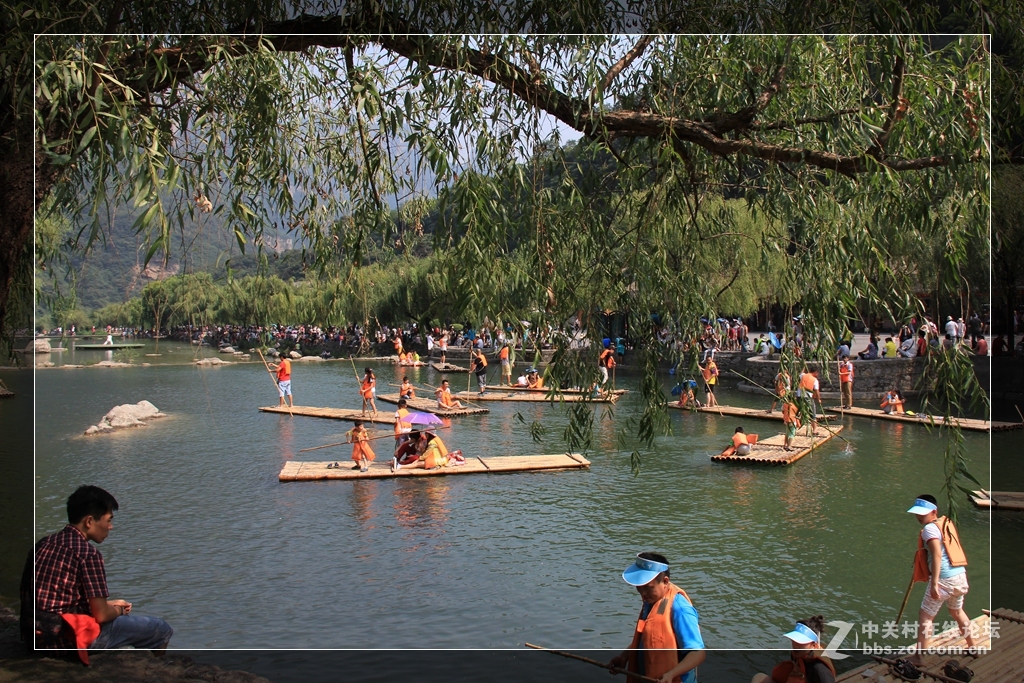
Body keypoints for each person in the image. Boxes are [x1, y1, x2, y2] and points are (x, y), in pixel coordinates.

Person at [32, 486, 173, 657]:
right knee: (161, 628)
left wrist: (110, 603)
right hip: (67, 640)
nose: (111, 527)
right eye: (108, 520)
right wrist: (118, 611)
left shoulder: (44, 544)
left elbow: (58, 600)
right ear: (89, 521)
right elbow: (101, 616)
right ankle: (156, 670)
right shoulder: (88, 554)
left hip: (36, 636)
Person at [608, 553, 705, 683]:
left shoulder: (680, 610)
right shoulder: (652, 601)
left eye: (648, 588)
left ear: (665, 581)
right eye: (639, 588)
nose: (643, 594)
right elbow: (651, 638)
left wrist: (671, 674)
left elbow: (698, 653)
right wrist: (625, 656)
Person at [906, 495, 977, 661]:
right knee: (957, 612)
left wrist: (935, 583)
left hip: (944, 579)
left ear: (934, 512)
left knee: (926, 616)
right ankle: (973, 647)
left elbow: (937, 554)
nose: (918, 517)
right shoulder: (945, 524)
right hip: (959, 577)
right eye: (917, 513)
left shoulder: (929, 530)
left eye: (922, 514)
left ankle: (919, 657)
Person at [750, 617, 836, 683]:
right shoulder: (799, 654)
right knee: (759, 678)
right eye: (794, 640)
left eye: (801, 642)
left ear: (813, 645)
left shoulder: (820, 671)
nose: (795, 645)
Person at [796, 368, 820, 433]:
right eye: (817, 373)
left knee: (797, 412)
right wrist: (819, 399)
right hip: (808, 398)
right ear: (815, 372)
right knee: (813, 414)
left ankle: (794, 428)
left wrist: (803, 367)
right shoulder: (815, 380)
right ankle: (814, 430)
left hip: (799, 397)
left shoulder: (803, 375)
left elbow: (800, 373)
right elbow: (817, 391)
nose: (817, 375)